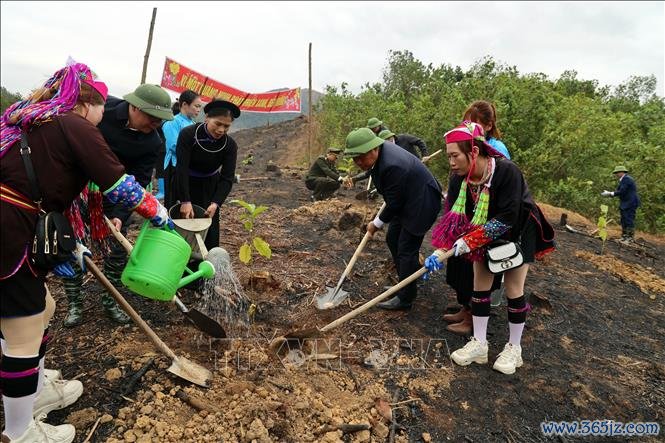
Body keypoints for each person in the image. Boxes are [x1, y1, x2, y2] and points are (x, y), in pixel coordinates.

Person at [1, 62, 174, 442]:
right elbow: (120, 185)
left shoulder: (41, 123)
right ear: (88, 103)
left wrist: (71, 240)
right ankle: (19, 431)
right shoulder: (74, 124)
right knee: (23, 327)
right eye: (100, 107)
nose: (103, 116)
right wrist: (156, 210)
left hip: (17, 222)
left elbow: (49, 182)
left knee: (43, 307)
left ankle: (36, 388)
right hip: (8, 230)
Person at [425, 121, 555, 374]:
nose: (450, 162)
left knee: (513, 288)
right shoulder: (458, 180)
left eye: (455, 156)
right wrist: (439, 250)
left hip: (517, 231)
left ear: (473, 152)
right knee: (480, 285)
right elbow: (453, 218)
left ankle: (514, 348)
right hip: (480, 231)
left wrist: (469, 241)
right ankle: (480, 344)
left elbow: (508, 217)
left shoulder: (507, 172)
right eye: (449, 156)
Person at [62, 84, 175, 327]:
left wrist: (120, 215)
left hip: (117, 197)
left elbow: (140, 181)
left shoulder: (153, 143)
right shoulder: (103, 110)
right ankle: (74, 304)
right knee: (72, 248)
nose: (155, 124)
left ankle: (111, 301)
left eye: (160, 120)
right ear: (134, 106)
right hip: (77, 192)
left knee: (116, 253)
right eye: (152, 117)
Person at [344, 128, 442, 310]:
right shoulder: (379, 156)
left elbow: (394, 204)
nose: (358, 162)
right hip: (407, 199)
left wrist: (376, 223)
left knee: (406, 249)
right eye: (354, 158)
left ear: (373, 149)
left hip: (421, 203)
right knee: (392, 238)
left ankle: (406, 298)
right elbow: (393, 198)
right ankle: (404, 282)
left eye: (361, 157)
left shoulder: (392, 165)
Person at [173, 99, 240, 252]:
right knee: (180, 227)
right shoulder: (188, 135)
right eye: (218, 124)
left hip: (209, 187)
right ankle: (179, 267)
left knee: (209, 231)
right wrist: (185, 200)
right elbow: (181, 168)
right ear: (207, 118)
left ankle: (205, 271)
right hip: (184, 183)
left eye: (226, 126)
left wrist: (216, 203)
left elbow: (227, 178)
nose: (221, 130)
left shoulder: (229, 145)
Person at [162, 90, 203, 209]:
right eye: (196, 106)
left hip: (187, 166)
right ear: (185, 104)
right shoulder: (172, 122)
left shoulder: (193, 123)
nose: (198, 110)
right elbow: (174, 145)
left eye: (200, 107)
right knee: (173, 200)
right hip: (174, 166)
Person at [602, 165, 640, 242]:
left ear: (622, 172)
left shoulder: (626, 179)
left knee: (628, 219)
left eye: (617, 172)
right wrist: (610, 193)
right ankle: (624, 236)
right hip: (626, 202)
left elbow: (622, 191)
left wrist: (610, 193)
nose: (616, 174)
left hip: (630, 203)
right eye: (616, 173)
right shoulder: (623, 180)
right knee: (624, 219)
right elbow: (620, 191)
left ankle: (629, 238)